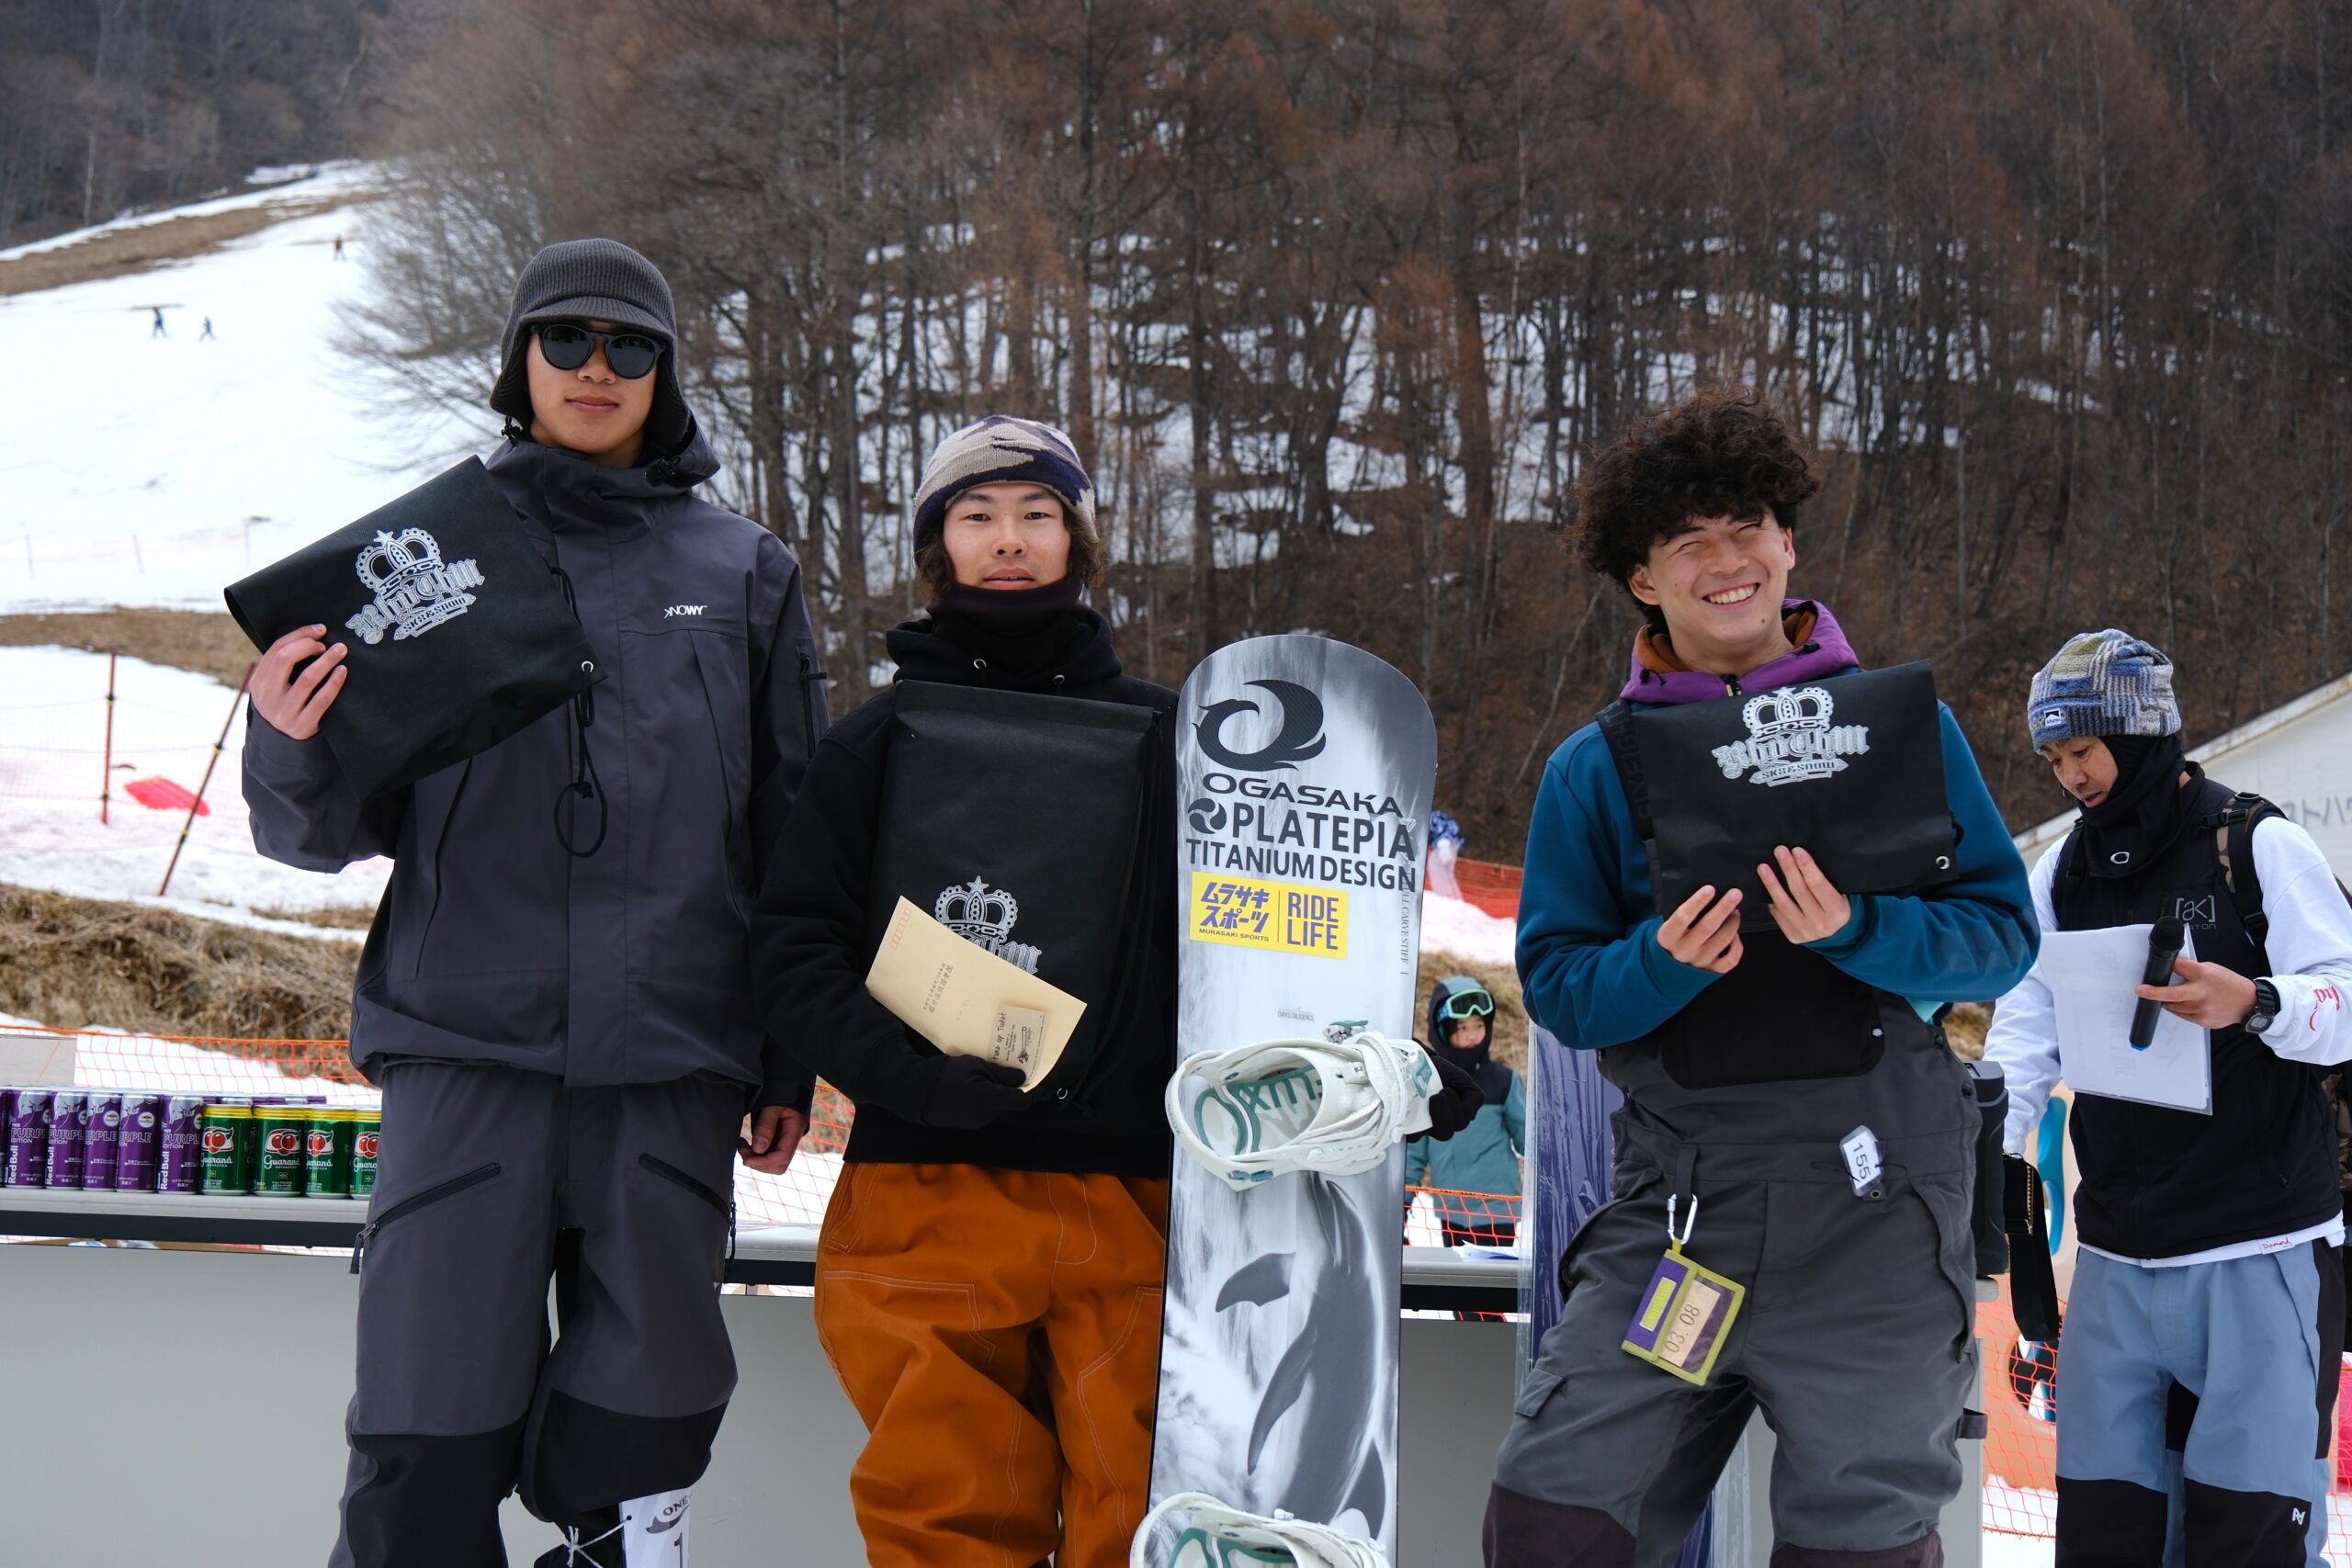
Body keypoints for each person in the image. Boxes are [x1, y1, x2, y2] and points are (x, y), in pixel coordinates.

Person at [243, 237, 826, 1568]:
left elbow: (791, 834)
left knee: (646, 1430)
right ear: (520, 362)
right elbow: (314, 832)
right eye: (565, 338)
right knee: (426, 1431)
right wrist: (289, 738)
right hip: (467, 1059)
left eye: (630, 345)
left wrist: (788, 1055)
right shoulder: (421, 560)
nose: (595, 366)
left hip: (674, 1062)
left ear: (666, 373)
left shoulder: (746, 571)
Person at [1487, 387, 2039, 1568]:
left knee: (1858, 1548)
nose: (1726, 560)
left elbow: (2001, 936)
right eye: (1688, 541)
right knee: (1554, 1522)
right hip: (1685, 1226)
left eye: (1747, 527)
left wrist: (1860, 927)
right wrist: (1660, 962)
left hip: (1878, 1225)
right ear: (1643, 578)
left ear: (1787, 542)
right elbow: (1564, 992)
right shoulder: (1595, 768)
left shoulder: (1900, 731)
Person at [748, 417, 1181, 1568]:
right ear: (939, 546)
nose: (1009, 540)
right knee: (943, 1523)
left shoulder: (1172, 738)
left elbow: (1238, 953)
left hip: (1133, 1188)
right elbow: (791, 950)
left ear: (1078, 540)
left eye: (1038, 514)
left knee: (1142, 1518)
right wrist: (913, 1081)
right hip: (924, 1179)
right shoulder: (876, 741)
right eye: (977, 516)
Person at [1984, 629, 2352, 1568]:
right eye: (2053, 759)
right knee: (2108, 1537)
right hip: (2117, 1255)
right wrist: (1995, 1155)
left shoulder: (2253, 843)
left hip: (2259, 1247)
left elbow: (2346, 996)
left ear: (2139, 734)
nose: (2070, 775)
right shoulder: (2061, 872)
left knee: (2251, 1538)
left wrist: (2256, 1001)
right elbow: (2024, 1032)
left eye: (2083, 750)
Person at [1408, 975, 1527, 1249]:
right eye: (1462, 1027)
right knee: (1458, 1275)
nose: (1473, 1034)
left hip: (1497, 1211)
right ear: (1442, 1031)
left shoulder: (1503, 1081)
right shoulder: (1429, 1084)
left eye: (1479, 1025)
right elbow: (1414, 1153)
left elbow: (1527, 1138)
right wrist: (1400, 1205)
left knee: (1491, 1274)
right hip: (1453, 1211)